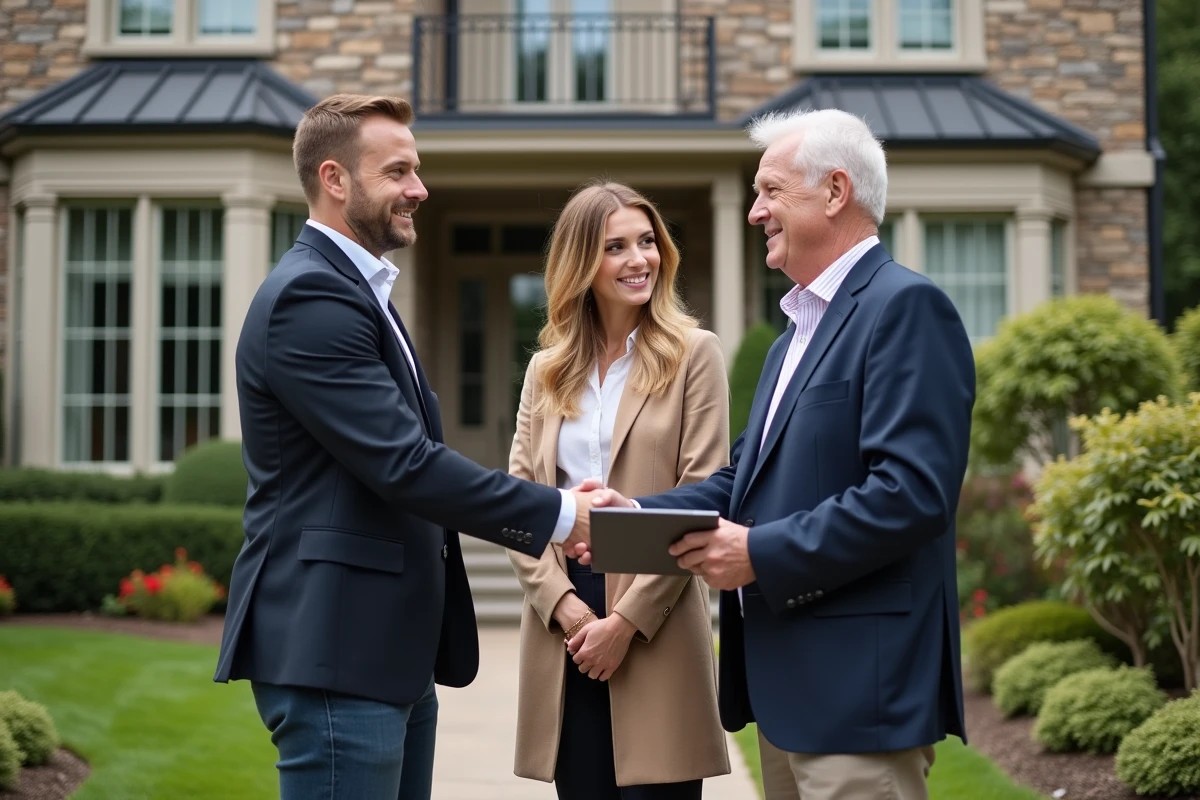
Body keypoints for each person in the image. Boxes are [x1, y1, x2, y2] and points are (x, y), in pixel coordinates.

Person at [212, 93, 598, 800]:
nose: (419, 189)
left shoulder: (361, 294)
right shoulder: (311, 300)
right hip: (336, 649)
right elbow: (405, 464)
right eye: (398, 172)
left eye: (416, 170)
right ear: (335, 179)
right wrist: (564, 515)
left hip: (383, 649)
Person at [589, 108, 976, 800]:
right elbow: (743, 481)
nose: (754, 211)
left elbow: (910, 495)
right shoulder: (789, 334)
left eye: (770, 191)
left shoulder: (905, 308)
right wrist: (637, 512)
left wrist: (758, 555)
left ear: (834, 192)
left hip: (861, 700)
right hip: (787, 699)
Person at [506, 181, 731, 800]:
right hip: (565, 630)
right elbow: (519, 503)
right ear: (581, 263)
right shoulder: (544, 370)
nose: (640, 259)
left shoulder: (695, 355)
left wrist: (624, 623)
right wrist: (567, 608)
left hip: (653, 615)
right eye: (616, 247)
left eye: (647, 242)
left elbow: (704, 497)